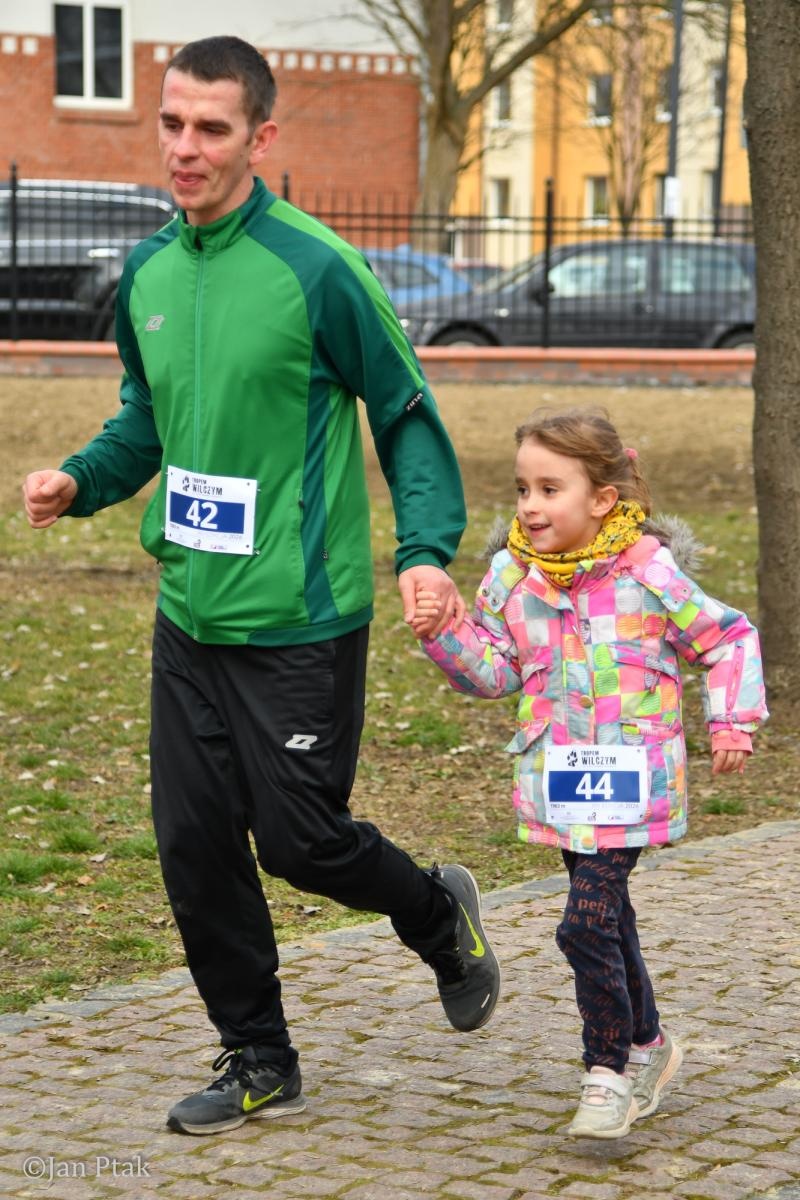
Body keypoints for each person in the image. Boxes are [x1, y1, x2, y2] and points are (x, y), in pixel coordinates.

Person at [21, 35, 500, 1137]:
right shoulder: (146, 271)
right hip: (188, 609)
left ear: (260, 138)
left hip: (298, 616)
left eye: (213, 129)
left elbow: (405, 411)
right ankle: (257, 1055)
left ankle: (438, 915)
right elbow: (150, 419)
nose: (185, 149)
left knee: (301, 842)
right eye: (173, 123)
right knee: (193, 844)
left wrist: (424, 546)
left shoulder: (315, 267)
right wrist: (82, 481)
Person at [413, 406, 767, 1140]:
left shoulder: (649, 573)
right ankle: (649, 1044)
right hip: (562, 779)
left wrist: (731, 721)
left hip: (632, 781)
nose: (530, 507)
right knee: (611, 922)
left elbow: (729, 638)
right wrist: (444, 633)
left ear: (602, 499)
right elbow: (494, 672)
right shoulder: (512, 577)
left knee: (584, 925)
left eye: (549, 489)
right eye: (522, 490)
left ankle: (605, 1071)